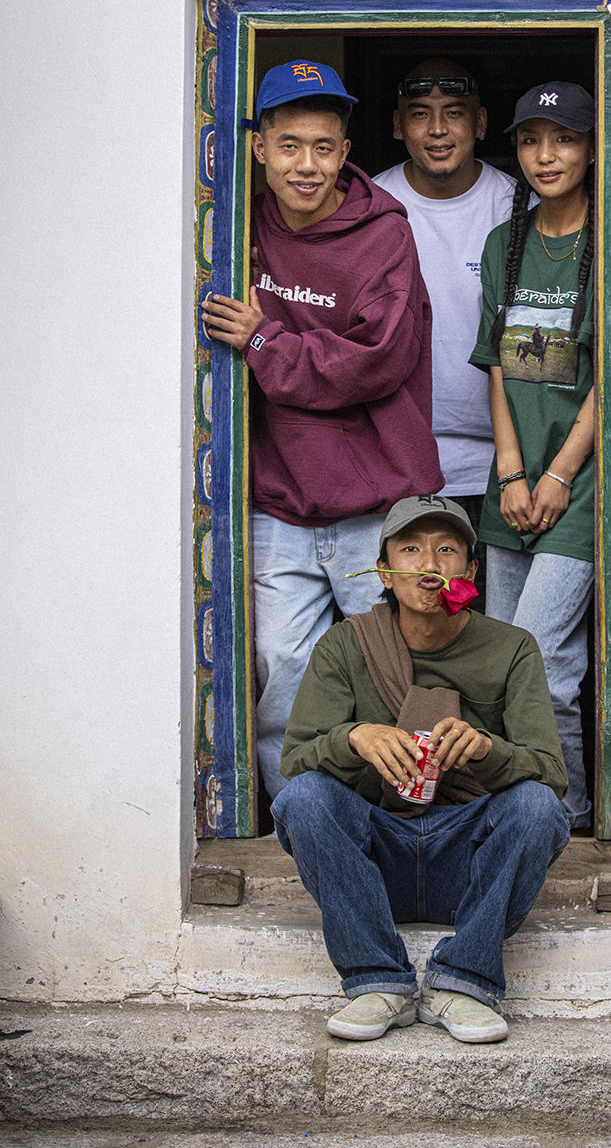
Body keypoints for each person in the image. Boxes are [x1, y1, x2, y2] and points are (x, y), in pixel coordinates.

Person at [201, 61, 443, 800]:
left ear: (345, 153)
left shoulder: (383, 237)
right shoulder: (235, 230)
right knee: (283, 671)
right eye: (290, 146)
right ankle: (301, 824)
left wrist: (266, 341)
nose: (306, 165)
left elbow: (377, 359)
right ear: (259, 148)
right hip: (279, 501)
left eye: (324, 147)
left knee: (396, 674)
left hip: (375, 502)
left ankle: (402, 824)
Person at [272, 494, 569, 1043]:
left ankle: (464, 981)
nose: (429, 564)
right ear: (384, 572)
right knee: (303, 799)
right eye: (410, 549)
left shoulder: (512, 648)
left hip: (468, 862)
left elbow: (550, 773)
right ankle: (377, 980)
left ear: (471, 571)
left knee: (537, 806)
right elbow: (296, 759)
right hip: (374, 860)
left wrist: (487, 749)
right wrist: (354, 737)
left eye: (447, 550)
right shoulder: (346, 645)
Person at [470, 82, 596, 831]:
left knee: (545, 664)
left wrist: (558, 473)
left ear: (592, 148)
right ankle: (516, 812)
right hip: (513, 484)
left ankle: (566, 817)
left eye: (564, 138)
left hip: (577, 485)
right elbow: (497, 364)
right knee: (499, 667)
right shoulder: (504, 244)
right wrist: (513, 472)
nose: (545, 156)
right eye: (529, 140)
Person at [373, 60, 516, 605]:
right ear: (396, 125)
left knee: (487, 628)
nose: (437, 130)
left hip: (500, 469)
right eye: (420, 114)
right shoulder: (369, 204)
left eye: (454, 113)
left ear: (480, 123)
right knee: (405, 632)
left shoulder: (518, 206)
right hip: (395, 463)